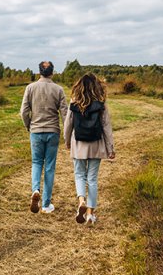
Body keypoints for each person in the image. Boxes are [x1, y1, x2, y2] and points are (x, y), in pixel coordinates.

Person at [64, 73, 115, 225]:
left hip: (79, 144)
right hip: (96, 144)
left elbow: (68, 124)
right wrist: (110, 148)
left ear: (79, 86)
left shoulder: (74, 102)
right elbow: (106, 126)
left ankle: (81, 201)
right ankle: (90, 215)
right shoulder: (101, 103)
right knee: (92, 179)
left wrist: (67, 141)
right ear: (96, 86)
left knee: (79, 175)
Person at [20, 61, 67, 214]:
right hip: (53, 131)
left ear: (39, 72)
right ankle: (46, 204)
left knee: (36, 162)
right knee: (49, 167)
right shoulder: (59, 89)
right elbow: (65, 114)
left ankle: (35, 190)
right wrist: (67, 133)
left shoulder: (30, 88)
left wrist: (29, 125)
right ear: (52, 72)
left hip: (36, 131)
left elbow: (23, 112)